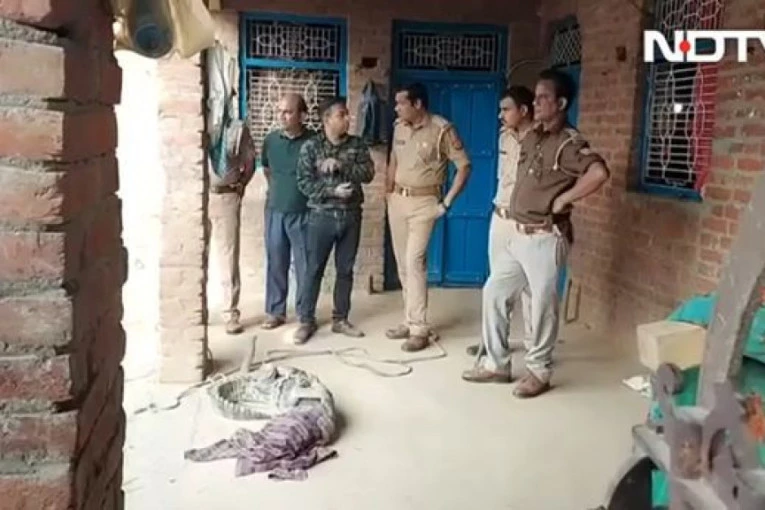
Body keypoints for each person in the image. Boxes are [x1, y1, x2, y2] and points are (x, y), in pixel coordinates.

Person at [467, 69, 610, 398]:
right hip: (517, 234)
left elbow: (598, 172)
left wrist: (564, 199)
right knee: (494, 292)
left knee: (542, 304)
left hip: (545, 236)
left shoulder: (568, 143)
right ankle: (497, 364)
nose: (537, 102)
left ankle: (539, 371)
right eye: (536, 96)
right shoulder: (533, 136)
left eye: (544, 97)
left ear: (561, 103)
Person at [385, 83, 471, 352]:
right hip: (398, 200)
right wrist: (388, 192)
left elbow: (464, 166)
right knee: (402, 264)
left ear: (418, 104)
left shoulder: (441, 129)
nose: (397, 108)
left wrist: (446, 203)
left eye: (401, 103)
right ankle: (408, 320)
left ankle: (419, 329)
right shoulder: (399, 127)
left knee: (415, 261)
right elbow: (393, 159)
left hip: (424, 203)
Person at [293, 97, 375, 344]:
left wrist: (342, 165)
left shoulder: (357, 145)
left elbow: (368, 173)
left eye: (347, 114)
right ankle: (306, 320)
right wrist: (332, 191)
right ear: (326, 119)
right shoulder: (311, 147)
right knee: (313, 269)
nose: (348, 118)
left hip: (351, 216)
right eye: (342, 115)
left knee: (345, 270)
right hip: (321, 217)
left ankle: (341, 319)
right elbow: (303, 182)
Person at [463, 86, 535, 362]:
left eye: (506, 109)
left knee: (530, 287)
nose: (500, 115)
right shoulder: (504, 136)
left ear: (523, 110)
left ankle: (533, 346)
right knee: (498, 283)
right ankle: (494, 342)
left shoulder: (541, 139)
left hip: (527, 221)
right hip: (501, 216)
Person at [259, 94, 316, 330]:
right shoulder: (271, 140)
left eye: (288, 112)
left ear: (302, 115)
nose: (282, 116)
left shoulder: (314, 141)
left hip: (304, 212)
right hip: (275, 210)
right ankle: (275, 311)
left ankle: (305, 314)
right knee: (276, 261)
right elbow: (267, 170)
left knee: (305, 265)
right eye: (280, 111)